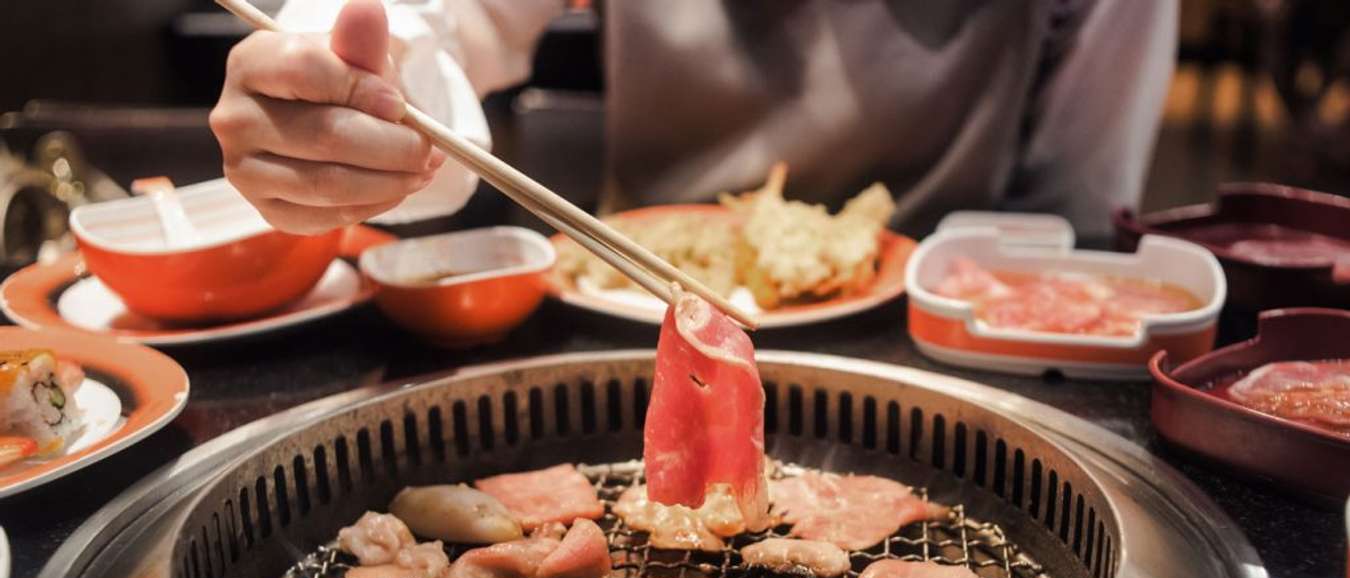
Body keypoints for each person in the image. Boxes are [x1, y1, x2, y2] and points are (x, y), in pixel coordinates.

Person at [211, 1, 1177, 239]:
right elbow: (436, 22)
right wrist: (340, 82)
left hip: (933, 349)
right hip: (630, 317)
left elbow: (1072, 233)